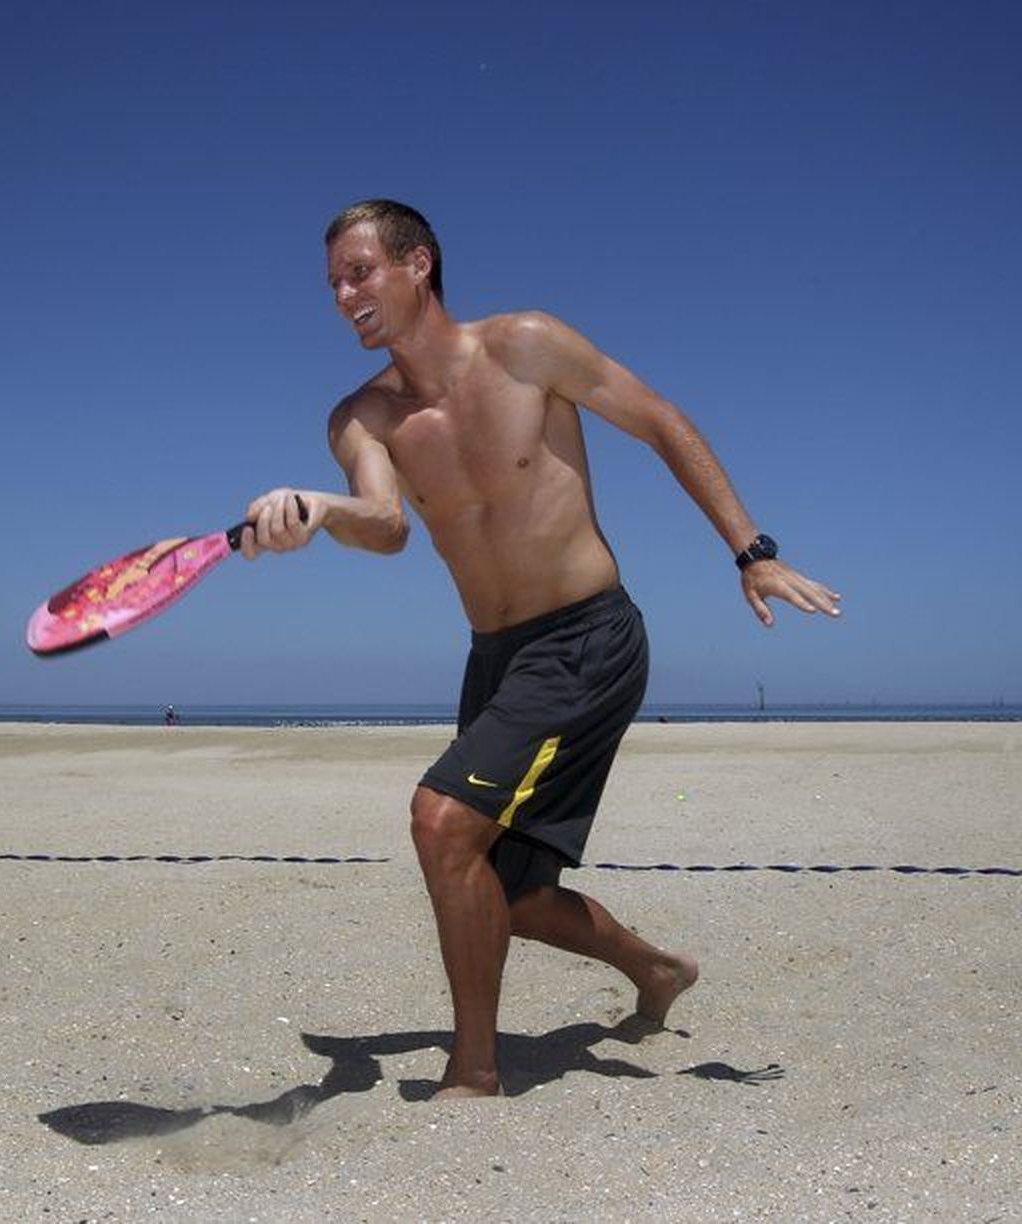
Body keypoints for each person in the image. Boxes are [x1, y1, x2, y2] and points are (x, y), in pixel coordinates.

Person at [242, 200, 840, 1097]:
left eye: (360, 271)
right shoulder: (361, 419)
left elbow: (661, 422)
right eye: (332, 281)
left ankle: (473, 1074)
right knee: (510, 893)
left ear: (419, 264)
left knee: (441, 824)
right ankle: (656, 970)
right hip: (496, 660)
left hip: (587, 639)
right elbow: (386, 525)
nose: (343, 294)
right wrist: (319, 516)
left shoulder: (526, 344)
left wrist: (751, 552)